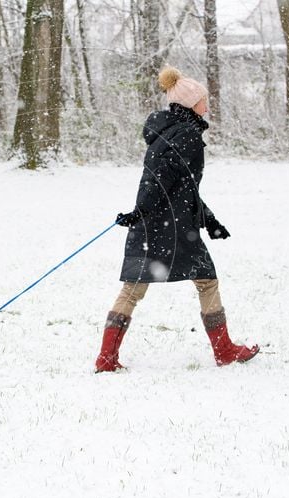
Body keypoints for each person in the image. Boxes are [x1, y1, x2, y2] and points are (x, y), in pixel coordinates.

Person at [94, 66, 258, 372]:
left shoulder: (167, 133)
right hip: (172, 228)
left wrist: (208, 220)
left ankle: (106, 358)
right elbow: (162, 178)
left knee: (133, 289)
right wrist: (141, 209)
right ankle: (223, 350)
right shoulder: (187, 135)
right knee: (207, 282)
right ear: (190, 105)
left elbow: (181, 186)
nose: (207, 106)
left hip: (157, 223)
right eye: (203, 101)